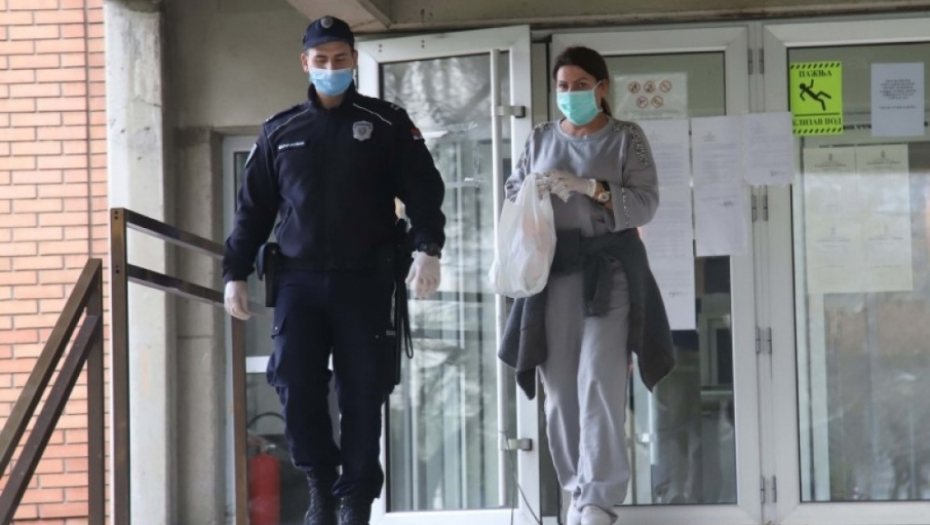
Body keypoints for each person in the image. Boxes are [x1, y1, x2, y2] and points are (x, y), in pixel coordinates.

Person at [222, 16, 446, 525]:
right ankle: (321, 487)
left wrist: (428, 247)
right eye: (321, 59)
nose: (331, 67)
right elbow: (252, 210)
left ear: (354, 61)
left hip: (366, 279)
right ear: (305, 63)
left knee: (363, 391)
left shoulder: (386, 122)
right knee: (295, 385)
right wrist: (234, 271)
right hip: (298, 282)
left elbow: (423, 189)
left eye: (340, 58)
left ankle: (355, 499)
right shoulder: (280, 130)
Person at [499, 46, 674, 525]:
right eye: (563, 86)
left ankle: (599, 497)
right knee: (559, 390)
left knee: (599, 379)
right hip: (553, 274)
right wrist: (532, 191)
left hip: (609, 272)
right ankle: (576, 490)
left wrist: (590, 188)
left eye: (580, 85)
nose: (571, 94)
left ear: (601, 88)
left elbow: (646, 202)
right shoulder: (540, 137)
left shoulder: (625, 138)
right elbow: (513, 192)